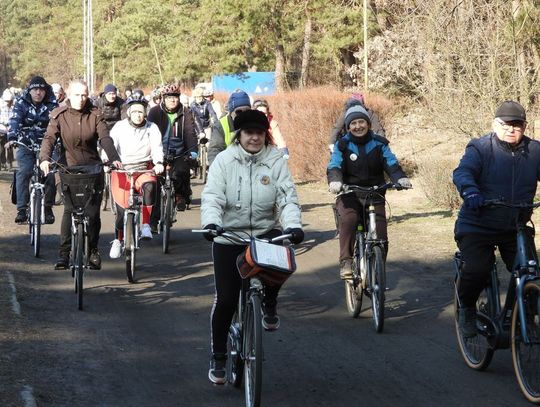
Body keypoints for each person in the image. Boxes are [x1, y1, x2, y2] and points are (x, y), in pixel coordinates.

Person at [201, 109, 304, 384]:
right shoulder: (224, 160)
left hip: (264, 233)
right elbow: (212, 196)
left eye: (259, 133)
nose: (254, 138)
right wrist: (211, 223)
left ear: (265, 135)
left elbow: (287, 198)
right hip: (228, 236)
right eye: (249, 133)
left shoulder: (276, 161)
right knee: (225, 299)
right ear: (240, 135)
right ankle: (219, 356)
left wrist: (293, 225)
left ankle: (269, 301)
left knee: (282, 264)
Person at [453, 100, 540, 338]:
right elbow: (463, 172)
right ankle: (467, 309)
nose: (511, 129)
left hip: (515, 227)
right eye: (506, 124)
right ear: (494, 124)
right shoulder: (481, 148)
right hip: (477, 224)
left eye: (517, 124)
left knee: (530, 272)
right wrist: (471, 191)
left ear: (524, 126)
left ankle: (527, 319)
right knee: (478, 268)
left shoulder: (535, 151)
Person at [39, 79, 122, 270]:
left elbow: (105, 138)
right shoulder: (59, 115)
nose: (81, 98)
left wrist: (114, 158)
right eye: (77, 94)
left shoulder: (95, 114)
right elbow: (49, 138)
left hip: (92, 170)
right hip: (67, 170)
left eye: (84, 94)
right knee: (69, 210)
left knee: (93, 213)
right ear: (68, 94)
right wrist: (45, 158)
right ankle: (64, 255)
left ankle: (93, 251)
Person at [327, 105, 411, 279]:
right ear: (348, 127)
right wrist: (335, 181)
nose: (358, 126)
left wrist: (400, 178)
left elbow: (391, 163)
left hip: (375, 192)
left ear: (368, 124)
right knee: (349, 219)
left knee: (381, 235)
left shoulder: (379, 143)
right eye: (354, 123)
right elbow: (334, 165)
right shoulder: (342, 145)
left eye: (362, 122)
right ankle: (346, 261)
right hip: (348, 193)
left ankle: (378, 267)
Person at [107, 95, 164, 258]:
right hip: (122, 170)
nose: (139, 115)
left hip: (144, 168)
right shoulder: (119, 127)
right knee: (120, 210)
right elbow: (110, 145)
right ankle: (118, 240)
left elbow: (157, 147)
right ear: (129, 113)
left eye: (142, 112)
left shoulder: (152, 127)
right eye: (135, 112)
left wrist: (158, 162)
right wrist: (107, 160)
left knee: (150, 186)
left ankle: (146, 224)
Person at [6, 76, 58, 224]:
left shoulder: (52, 104)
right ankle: (22, 209)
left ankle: (48, 208)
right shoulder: (21, 103)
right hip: (25, 143)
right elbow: (15, 120)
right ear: (29, 90)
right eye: (35, 89)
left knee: (50, 172)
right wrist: (12, 137)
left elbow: (59, 123)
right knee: (25, 171)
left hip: (47, 144)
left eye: (41, 89)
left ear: (45, 91)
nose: (38, 93)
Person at [147, 83, 197, 213]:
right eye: (169, 97)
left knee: (181, 171)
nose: (173, 100)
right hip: (159, 152)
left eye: (175, 97)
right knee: (156, 181)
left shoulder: (185, 112)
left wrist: (193, 152)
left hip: (179, 151)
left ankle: (180, 196)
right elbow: (148, 133)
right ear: (163, 98)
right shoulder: (155, 112)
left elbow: (190, 133)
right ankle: (155, 215)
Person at [207, 89, 251, 165]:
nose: (243, 115)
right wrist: (217, 171)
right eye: (239, 112)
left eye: (247, 111)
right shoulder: (221, 125)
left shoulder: (256, 122)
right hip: (228, 168)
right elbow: (215, 150)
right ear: (231, 112)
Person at [0, 89, 15, 170]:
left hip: (10, 130)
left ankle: (9, 162)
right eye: (6, 101)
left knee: (9, 147)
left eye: (9, 101)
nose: (8, 102)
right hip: (1, 129)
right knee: (1, 148)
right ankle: (2, 163)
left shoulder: (13, 108)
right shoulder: (1, 107)